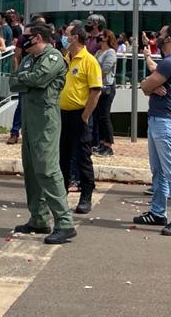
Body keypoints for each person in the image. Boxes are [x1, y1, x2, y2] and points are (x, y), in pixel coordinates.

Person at [8, 22, 76, 245]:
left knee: (47, 170)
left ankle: (65, 223)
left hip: (46, 122)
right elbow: (13, 82)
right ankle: (38, 218)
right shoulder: (29, 59)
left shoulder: (53, 57)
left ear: (36, 37)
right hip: (29, 121)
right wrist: (29, 79)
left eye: (26, 36)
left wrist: (27, 79)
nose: (22, 39)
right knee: (31, 170)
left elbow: (39, 78)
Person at [135, 24, 171, 236]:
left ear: (168, 40)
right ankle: (158, 212)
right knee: (159, 170)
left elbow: (147, 87)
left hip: (166, 122)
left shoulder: (170, 62)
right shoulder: (169, 63)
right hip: (161, 120)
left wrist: (147, 84)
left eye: (160, 34)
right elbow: (150, 79)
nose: (157, 36)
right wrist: (148, 81)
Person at [58, 22, 102, 215]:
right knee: (63, 156)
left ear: (75, 37)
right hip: (63, 115)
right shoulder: (65, 58)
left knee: (83, 157)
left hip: (80, 115)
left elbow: (96, 91)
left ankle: (86, 196)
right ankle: (60, 194)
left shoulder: (89, 61)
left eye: (67, 34)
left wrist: (85, 115)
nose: (64, 37)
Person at [94, 30, 117, 157]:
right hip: (98, 86)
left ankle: (108, 145)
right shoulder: (98, 52)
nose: (99, 37)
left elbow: (105, 70)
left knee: (105, 116)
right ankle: (101, 143)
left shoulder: (111, 53)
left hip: (107, 87)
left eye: (102, 35)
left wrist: (93, 76)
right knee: (99, 116)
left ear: (107, 38)